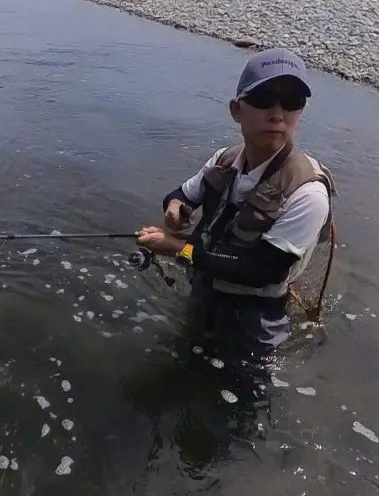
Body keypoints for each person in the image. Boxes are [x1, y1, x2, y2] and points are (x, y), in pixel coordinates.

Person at [136, 48, 336, 368]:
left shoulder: (308, 193)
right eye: (264, 98)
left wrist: (175, 248)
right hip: (206, 287)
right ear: (236, 110)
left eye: (291, 101)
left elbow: (261, 271)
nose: (277, 113)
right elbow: (181, 194)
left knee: (240, 399)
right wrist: (175, 208)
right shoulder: (225, 159)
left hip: (256, 318)